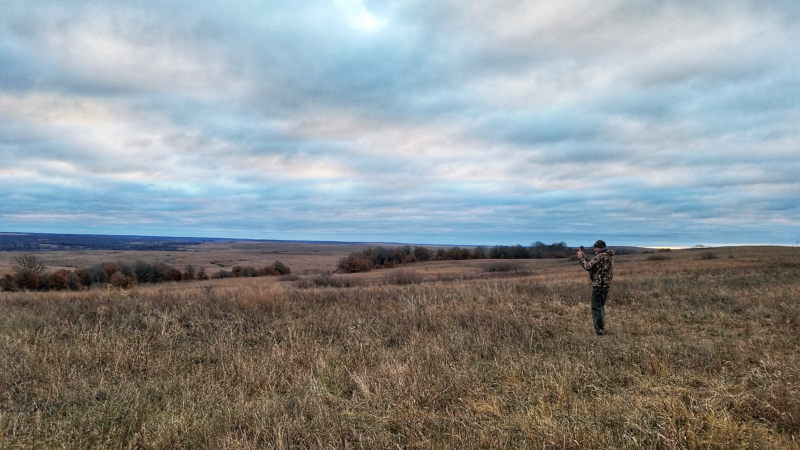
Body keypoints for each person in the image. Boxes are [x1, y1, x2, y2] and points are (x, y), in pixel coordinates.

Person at [577, 240, 614, 335]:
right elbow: (593, 265)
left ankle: (600, 331)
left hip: (599, 285)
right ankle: (601, 329)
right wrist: (584, 257)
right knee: (600, 308)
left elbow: (588, 267)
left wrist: (581, 258)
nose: (594, 249)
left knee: (596, 308)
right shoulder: (607, 255)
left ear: (600, 247)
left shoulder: (601, 256)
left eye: (595, 247)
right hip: (605, 285)